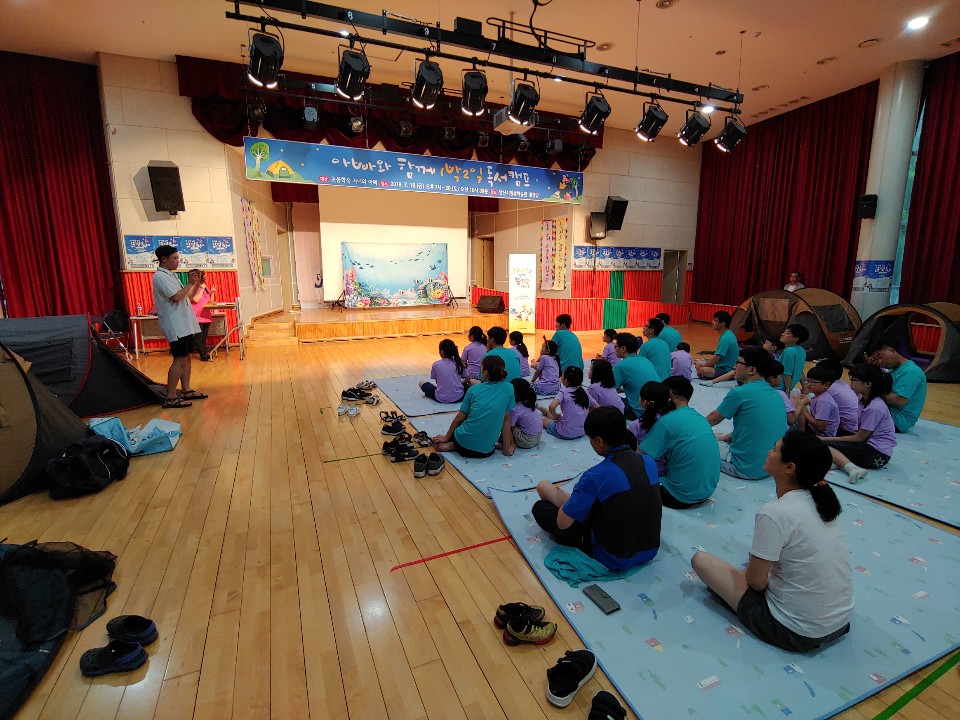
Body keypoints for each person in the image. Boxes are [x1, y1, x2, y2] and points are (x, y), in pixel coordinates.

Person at [691, 431, 853, 653]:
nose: (769, 452)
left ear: (789, 467)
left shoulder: (775, 513)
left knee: (701, 560)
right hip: (840, 623)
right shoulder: (822, 504)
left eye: (775, 450)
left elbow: (756, 582)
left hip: (795, 632)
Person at [532, 406, 661, 571]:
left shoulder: (596, 475)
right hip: (649, 551)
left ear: (599, 441)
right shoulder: (648, 462)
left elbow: (562, 524)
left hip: (611, 557)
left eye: (590, 439)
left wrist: (574, 503)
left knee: (541, 508)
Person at [706, 347, 788, 480]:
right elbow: (754, 428)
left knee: (701, 443)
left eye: (738, 363)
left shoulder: (740, 393)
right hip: (770, 468)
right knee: (719, 437)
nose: (734, 366)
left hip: (744, 468)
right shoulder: (775, 394)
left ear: (751, 370)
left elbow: (713, 418)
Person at [640, 376, 721, 508]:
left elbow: (639, 458)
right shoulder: (698, 417)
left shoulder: (667, 422)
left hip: (678, 496)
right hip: (707, 490)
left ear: (669, 394)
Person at [821, 363, 896, 484]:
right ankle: (838, 461)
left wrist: (827, 439)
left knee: (824, 444)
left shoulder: (875, 407)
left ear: (868, 384)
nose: (850, 383)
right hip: (868, 444)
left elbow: (860, 437)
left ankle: (851, 468)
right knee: (829, 441)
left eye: (854, 380)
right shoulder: (863, 399)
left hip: (877, 454)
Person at [152, 245, 205, 409]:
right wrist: (189, 283)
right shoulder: (160, 277)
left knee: (188, 357)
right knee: (179, 359)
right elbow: (176, 297)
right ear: (163, 260)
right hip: (175, 324)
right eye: (174, 258)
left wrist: (196, 284)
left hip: (184, 322)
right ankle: (170, 396)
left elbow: (186, 296)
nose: (178, 261)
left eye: (178, 257)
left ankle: (186, 390)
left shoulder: (170, 275)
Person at [432, 355, 516, 458]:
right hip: (487, 451)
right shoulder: (509, 388)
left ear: (485, 372)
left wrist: (446, 437)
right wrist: (507, 448)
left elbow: (459, 418)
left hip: (462, 444)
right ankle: (454, 445)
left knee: (468, 413)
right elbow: (506, 418)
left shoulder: (474, 390)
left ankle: (453, 444)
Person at [866, 340, 927, 432]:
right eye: (876, 360)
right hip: (891, 413)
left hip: (899, 420)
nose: (880, 361)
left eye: (880, 356)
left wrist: (868, 393)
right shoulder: (893, 370)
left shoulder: (911, 372)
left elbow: (899, 401)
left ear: (891, 350)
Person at [627, 381, 670, 478]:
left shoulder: (636, 425)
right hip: (664, 470)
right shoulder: (670, 422)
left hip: (642, 471)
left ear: (645, 402)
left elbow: (628, 451)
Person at [613, 332, 659, 421]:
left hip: (638, 411)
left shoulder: (621, 366)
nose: (614, 349)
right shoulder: (645, 360)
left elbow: (612, 389)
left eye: (616, 346)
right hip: (656, 410)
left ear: (623, 348)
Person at [540, 366, 590, 440]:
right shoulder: (585, 391)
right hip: (582, 431)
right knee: (558, 415)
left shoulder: (564, 391)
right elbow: (597, 406)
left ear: (565, 380)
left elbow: (552, 406)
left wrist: (555, 416)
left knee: (543, 421)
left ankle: (542, 409)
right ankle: (544, 410)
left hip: (565, 433)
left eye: (562, 376)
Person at [793, 364, 840, 437]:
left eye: (812, 382)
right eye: (807, 381)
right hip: (814, 430)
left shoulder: (824, 401)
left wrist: (803, 408)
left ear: (826, 385)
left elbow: (820, 427)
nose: (808, 384)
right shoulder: (820, 396)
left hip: (821, 436)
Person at [816, 359, 859, 435]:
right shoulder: (842, 384)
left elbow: (820, 424)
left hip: (847, 430)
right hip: (854, 426)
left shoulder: (828, 387)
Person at [419, 339, 466, 404]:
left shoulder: (436, 364)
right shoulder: (459, 363)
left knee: (421, 383)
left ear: (442, 352)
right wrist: (459, 383)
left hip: (441, 398)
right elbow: (468, 379)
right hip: (459, 397)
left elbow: (438, 382)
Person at [695, 311, 739, 379]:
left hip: (727, 369)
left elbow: (716, 359)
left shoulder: (725, 339)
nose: (712, 322)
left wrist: (703, 366)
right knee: (699, 364)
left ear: (723, 324)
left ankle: (727, 376)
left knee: (702, 369)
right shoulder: (727, 334)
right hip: (723, 365)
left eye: (715, 320)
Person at [508, 379, 543, 449]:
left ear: (515, 394)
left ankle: (509, 445)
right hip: (538, 437)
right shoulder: (529, 401)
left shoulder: (514, 409)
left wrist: (510, 442)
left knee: (505, 423)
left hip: (526, 441)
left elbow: (509, 427)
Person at [765, 361, 801, 426]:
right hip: (780, 431)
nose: (781, 379)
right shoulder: (779, 394)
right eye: (780, 376)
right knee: (802, 409)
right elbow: (791, 420)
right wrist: (802, 403)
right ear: (772, 378)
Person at [190, 272, 216, 361]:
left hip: (206, 316)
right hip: (197, 316)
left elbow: (211, 302)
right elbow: (195, 299)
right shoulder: (192, 288)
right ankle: (202, 355)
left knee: (204, 336)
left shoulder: (205, 288)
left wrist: (212, 293)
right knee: (198, 337)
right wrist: (201, 289)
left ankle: (203, 353)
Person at [779, 324, 809, 392]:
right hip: (787, 387)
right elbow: (799, 370)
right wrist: (804, 387)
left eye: (787, 333)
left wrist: (787, 391)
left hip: (779, 388)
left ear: (795, 339)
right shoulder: (802, 351)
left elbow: (787, 373)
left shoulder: (788, 351)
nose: (782, 334)